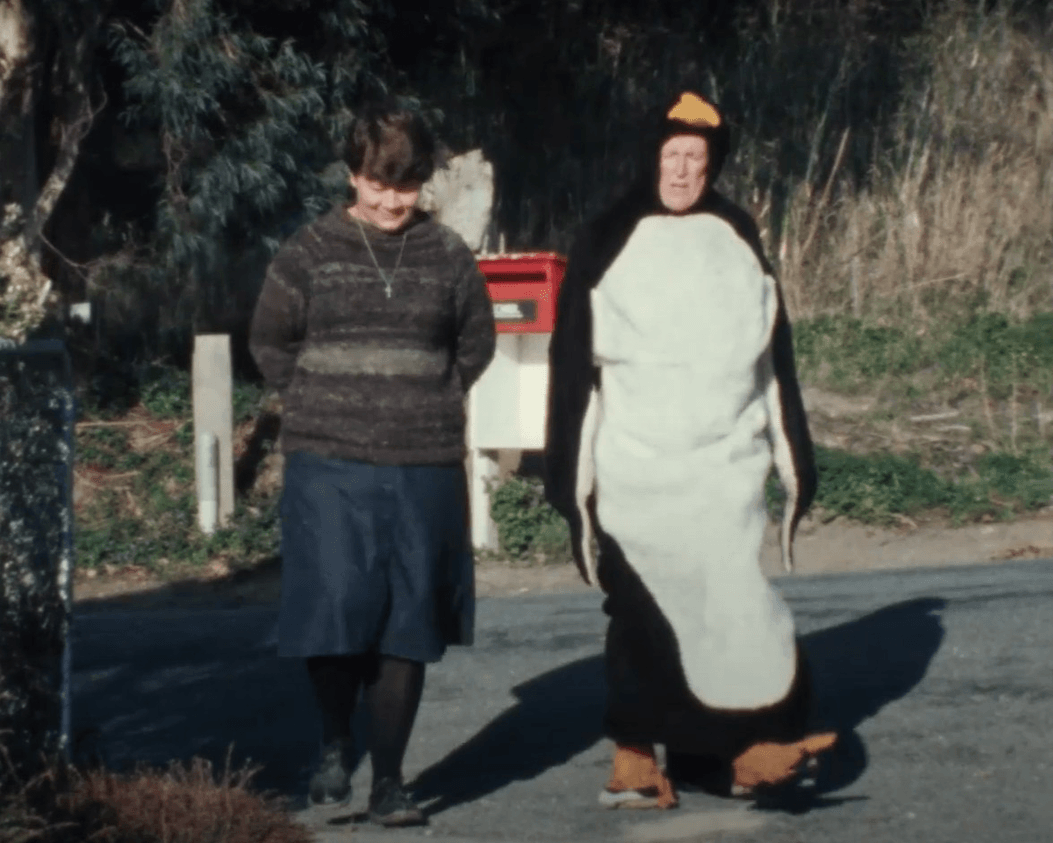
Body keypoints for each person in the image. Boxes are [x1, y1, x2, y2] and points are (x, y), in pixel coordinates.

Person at [543, 91, 837, 810]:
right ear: (650, 157)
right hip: (637, 474)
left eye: (695, 158)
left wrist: (793, 462)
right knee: (644, 617)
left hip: (721, 473)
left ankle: (743, 750)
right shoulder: (608, 238)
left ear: (714, 163)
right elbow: (574, 373)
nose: (681, 171)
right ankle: (635, 759)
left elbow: (774, 362)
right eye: (671, 155)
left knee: (736, 607)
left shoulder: (737, 234)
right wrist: (571, 485)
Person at [249, 98, 496, 826]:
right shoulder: (308, 251)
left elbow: (475, 342)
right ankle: (335, 740)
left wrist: (428, 395)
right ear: (353, 175)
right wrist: (322, 399)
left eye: (407, 185)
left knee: (407, 623)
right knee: (333, 609)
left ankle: (389, 781)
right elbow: (270, 341)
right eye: (378, 183)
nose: (392, 200)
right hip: (329, 464)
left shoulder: (448, 254)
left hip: (424, 463)